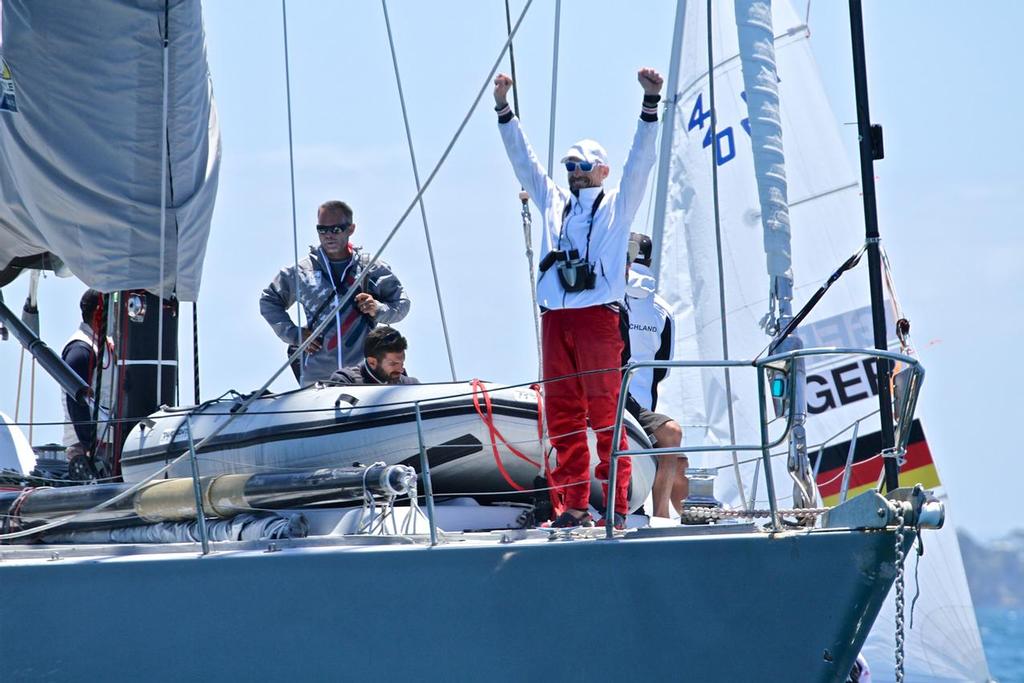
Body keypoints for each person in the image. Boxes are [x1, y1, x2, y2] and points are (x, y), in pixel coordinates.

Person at [493, 67, 663, 529]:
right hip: (556, 320)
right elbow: (524, 162)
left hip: (598, 321)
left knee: (607, 415)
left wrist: (651, 104)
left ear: (602, 171)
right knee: (563, 415)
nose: (575, 173)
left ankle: (615, 506)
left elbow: (642, 162)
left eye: (584, 166)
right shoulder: (553, 203)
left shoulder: (617, 206)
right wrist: (504, 110)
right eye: (570, 166)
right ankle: (569, 506)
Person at [260, 200, 410, 386]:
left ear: (351, 229)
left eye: (336, 229)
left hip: (365, 379)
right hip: (317, 381)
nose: (328, 235)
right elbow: (269, 301)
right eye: (322, 230)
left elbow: (402, 304)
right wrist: (294, 334)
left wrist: (377, 308)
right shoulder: (301, 271)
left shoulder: (370, 268)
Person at [622, 233, 688, 518]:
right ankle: (663, 517)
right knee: (676, 455)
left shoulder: (605, 298)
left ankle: (661, 516)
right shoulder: (663, 309)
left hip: (615, 401)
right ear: (649, 262)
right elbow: (662, 370)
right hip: (642, 408)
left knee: (675, 456)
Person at [61, 289, 114, 480]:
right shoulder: (80, 348)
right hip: (89, 449)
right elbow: (76, 399)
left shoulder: (104, 344)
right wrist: (88, 445)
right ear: (99, 312)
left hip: (108, 444)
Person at [329, 326, 419, 385]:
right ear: (372, 362)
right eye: (393, 364)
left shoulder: (411, 385)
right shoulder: (345, 381)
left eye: (402, 363)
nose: (401, 370)